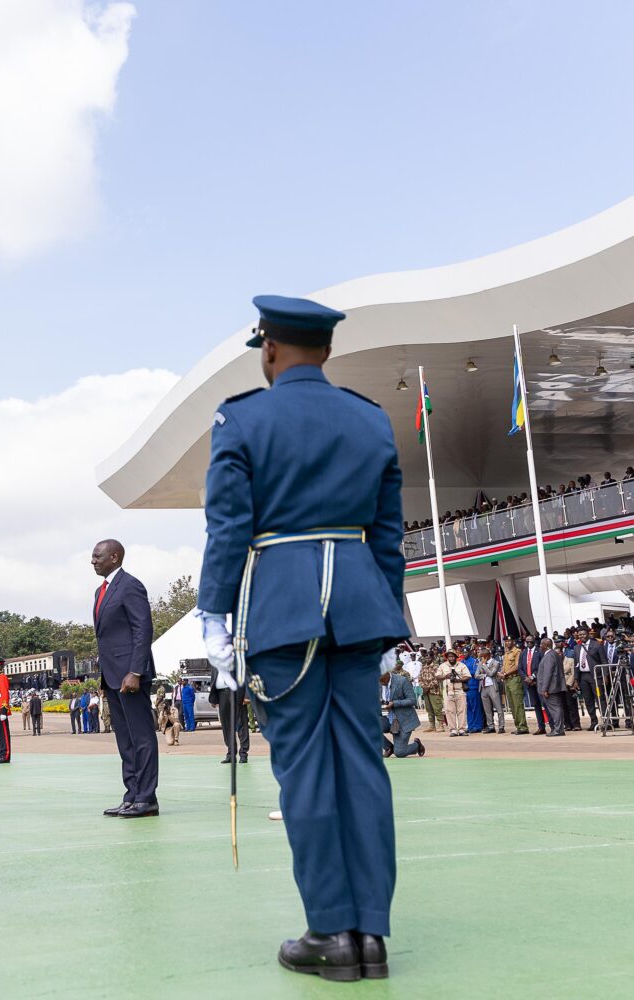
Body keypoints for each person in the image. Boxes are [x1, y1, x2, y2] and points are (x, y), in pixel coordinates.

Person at [196, 296, 409, 980]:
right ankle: (370, 935)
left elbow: (228, 529)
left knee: (306, 772)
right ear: (325, 350)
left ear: (270, 349)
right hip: (358, 606)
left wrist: (214, 615)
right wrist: (384, 613)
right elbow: (387, 538)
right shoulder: (370, 418)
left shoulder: (243, 417)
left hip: (285, 609)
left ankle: (330, 932)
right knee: (363, 769)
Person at [91, 538, 158, 819]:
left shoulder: (130, 585)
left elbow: (143, 629)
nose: (92, 561)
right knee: (125, 740)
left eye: (97, 556)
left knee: (141, 737)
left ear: (114, 557)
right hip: (112, 676)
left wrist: (136, 671)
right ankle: (131, 795)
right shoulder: (100, 591)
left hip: (130, 675)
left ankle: (147, 798)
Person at [381, 668, 424, 759]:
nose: (380, 683)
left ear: (387, 674)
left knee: (400, 753)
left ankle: (417, 745)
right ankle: (389, 747)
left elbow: (412, 700)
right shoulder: (378, 683)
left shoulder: (402, 681)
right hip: (386, 718)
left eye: (382, 680)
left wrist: (394, 703)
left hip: (403, 721)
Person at [209, 672, 249, 764]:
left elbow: (246, 675)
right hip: (221, 694)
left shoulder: (238, 658)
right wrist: (213, 698)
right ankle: (231, 754)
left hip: (237, 693)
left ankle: (243, 754)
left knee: (241, 724)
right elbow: (213, 678)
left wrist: (247, 695)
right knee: (226, 726)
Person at [536, 637, 566, 736]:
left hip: (551, 688)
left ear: (546, 645)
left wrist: (544, 689)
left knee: (555, 709)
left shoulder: (549, 656)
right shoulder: (554, 654)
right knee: (557, 708)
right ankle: (559, 729)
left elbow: (547, 673)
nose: (540, 646)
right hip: (554, 686)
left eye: (541, 644)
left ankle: (558, 730)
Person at [437, 651, 470, 736]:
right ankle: (453, 730)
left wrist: (458, 679)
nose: (451, 658)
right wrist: (445, 676)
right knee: (449, 711)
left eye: (453, 656)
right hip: (448, 692)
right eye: (449, 656)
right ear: (447, 657)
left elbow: (468, 676)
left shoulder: (461, 665)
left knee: (462, 710)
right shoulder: (443, 666)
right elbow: (437, 676)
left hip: (460, 690)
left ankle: (462, 729)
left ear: (456, 657)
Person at [501, 637, 527, 734]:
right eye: (506, 641)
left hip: (515, 678)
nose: (507, 643)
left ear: (513, 642)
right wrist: (502, 673)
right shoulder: (506, 653)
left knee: (518, 704)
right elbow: (504, 666)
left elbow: (517, 666)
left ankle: (523, 727)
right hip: (507, 680)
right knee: (512, 705)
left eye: (509, 641)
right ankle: (518, 726)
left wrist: (505, 673)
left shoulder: (517, 652)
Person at [478, 644, 505, 734]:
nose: (482, 658)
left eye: (483, 657)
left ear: (487, 656)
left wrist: (485, 666)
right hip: (483, 687)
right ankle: (491, 726)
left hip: (493, 687)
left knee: (498, 708)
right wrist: (484, 674)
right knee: (487, 709)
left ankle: (501, 726)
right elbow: (476, 675)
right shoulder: (480, 663)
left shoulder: (495, 663)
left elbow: (492, 674)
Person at [417, 656, 444, 733]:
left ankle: (440, 725)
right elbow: (419, 678)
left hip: (434, 691)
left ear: (432, 659)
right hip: (426, 692)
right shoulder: (423, 668)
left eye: (429, 658)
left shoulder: (436, 667)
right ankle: (432, 725)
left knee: (437, 708)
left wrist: (428, 687)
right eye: (426, 658)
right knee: (429, 709)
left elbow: (437, 679)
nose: (427, 659)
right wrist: (423, 686)